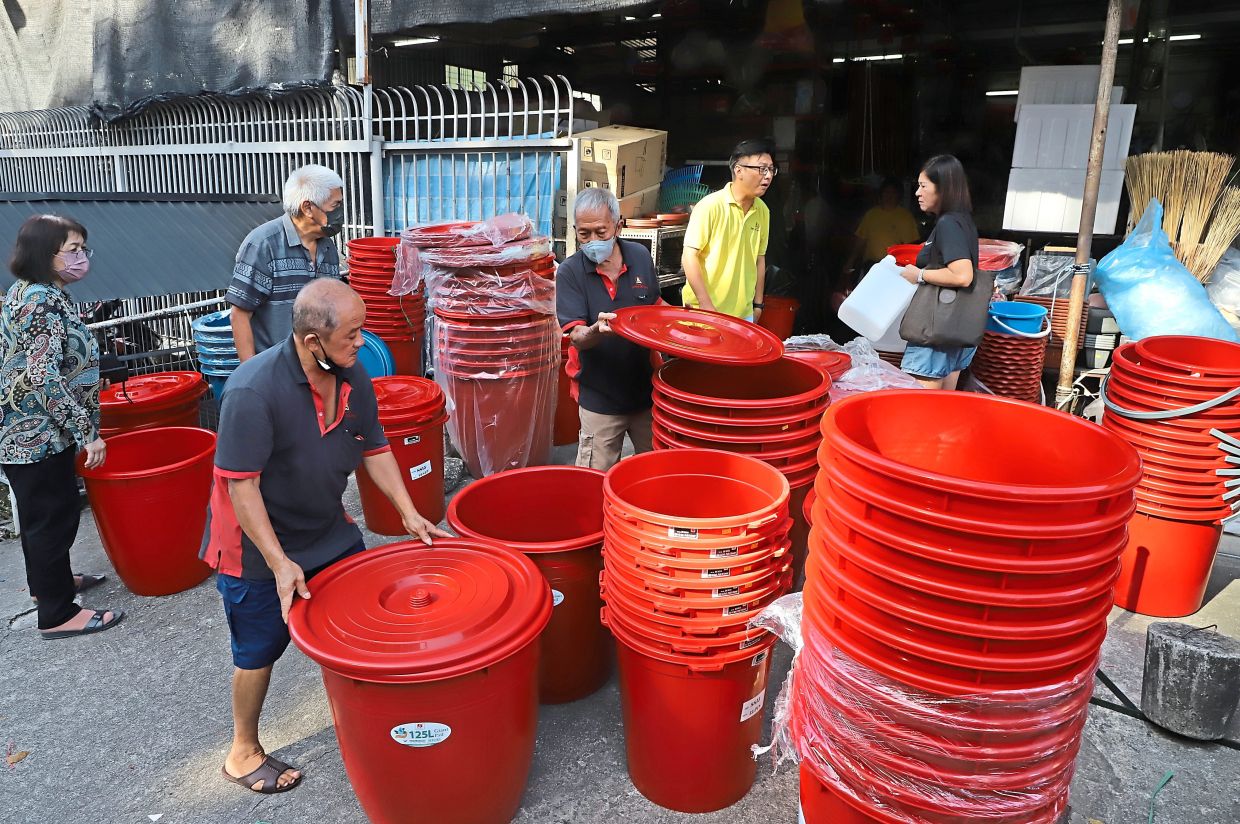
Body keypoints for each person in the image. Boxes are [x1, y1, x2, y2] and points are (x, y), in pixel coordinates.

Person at [202, 278, 447, 794]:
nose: (363, 343)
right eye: (353, 334)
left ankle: (365, 716)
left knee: (359, 620)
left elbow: (375, 447)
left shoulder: (352, 374)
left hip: (325, 527)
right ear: (313, 341)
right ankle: (242, 751)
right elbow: (241, 487)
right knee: (258, 649)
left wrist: (408, 512)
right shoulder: (252, 390)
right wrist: (278, 562)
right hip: (254, 547)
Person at [1, 215, 121, 639]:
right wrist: (87, 433)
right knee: (53, 519)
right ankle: (57, 614)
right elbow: (43, 377)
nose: (81, 258)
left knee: (41, 518)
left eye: (82, 248)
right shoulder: (42, 301)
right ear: (43, 254)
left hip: (27, 431)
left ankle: (48, 586)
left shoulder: (30, 293)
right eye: (72, 250)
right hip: (36, 434)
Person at [557, 188, 661, 470]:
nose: (592, 241)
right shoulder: (570, 273)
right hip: (599, 398)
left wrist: (679, 326)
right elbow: (576, 337)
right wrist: (596, 330)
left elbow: (655, 307)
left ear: (618, 225)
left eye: (601, 232)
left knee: (654, 472)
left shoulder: (639, 256)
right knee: (593, 479)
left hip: (646, 394)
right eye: (584, 234)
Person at [228, 164, 346, 362]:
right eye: (335, 206)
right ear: (308, 208)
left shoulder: (328, 248)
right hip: (274, 369)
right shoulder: (263, 245)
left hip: (317, 368)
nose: (340, 213)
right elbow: (239, 314)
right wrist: (251, 374)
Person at [897, 155, 990, 390]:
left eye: (923, 186)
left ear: (944, 188)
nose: (917, 193)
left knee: (920, 408)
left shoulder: (948, 223)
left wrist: (919, 275)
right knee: (944, 405)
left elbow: (962, 275)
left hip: (935, 330)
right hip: (954, 327)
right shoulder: (963, 221)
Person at [681, 138, 774, 322]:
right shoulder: (710, 206)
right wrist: (706, 305)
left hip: (743, 315)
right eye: (762, 169)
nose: (768, 176)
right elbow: (689, 257)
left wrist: (758, 306)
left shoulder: (763, 211)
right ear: (738, 170)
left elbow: (759, 259)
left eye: (771, 169)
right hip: (704, 313)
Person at [844, 176, 921, 284]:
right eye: (886, 192)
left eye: (893, 193)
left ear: (899, 195)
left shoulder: (905, 217)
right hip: (870, 266)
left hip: (894, 269)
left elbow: (911, 246)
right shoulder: (871, 214)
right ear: (881, 194)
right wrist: (850, 261)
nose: (889, 196)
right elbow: (860, 241)